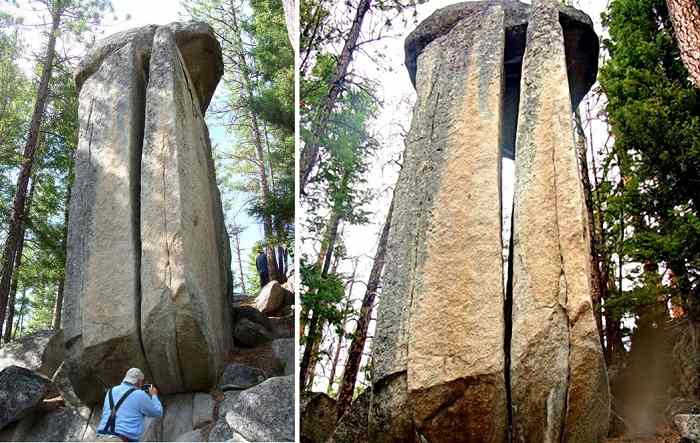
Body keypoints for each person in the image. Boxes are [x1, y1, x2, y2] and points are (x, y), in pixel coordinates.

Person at [96, 368, 163, 442]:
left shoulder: (110, 392)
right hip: (120, 440)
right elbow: (158, 412)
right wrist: (154, 395)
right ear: (139, 381)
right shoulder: (140, 394)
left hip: (100, 438)